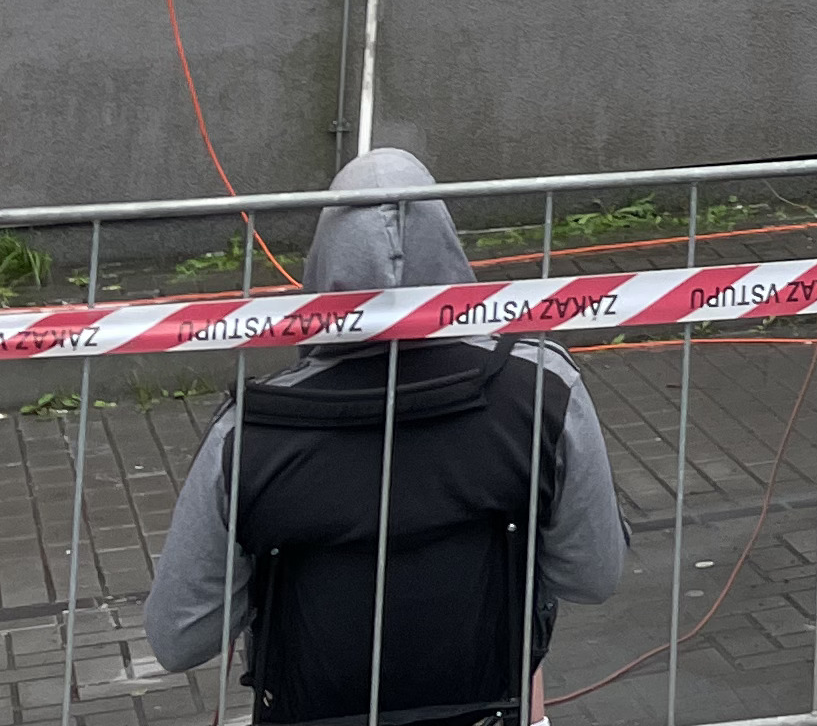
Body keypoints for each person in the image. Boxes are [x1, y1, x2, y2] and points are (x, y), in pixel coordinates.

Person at [147, 149, 629, 725]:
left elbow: (179, 637)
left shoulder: (251, 432)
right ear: (449, 245)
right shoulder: (544, 393)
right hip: (492, 709)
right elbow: (592, 575)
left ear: (323, 263)